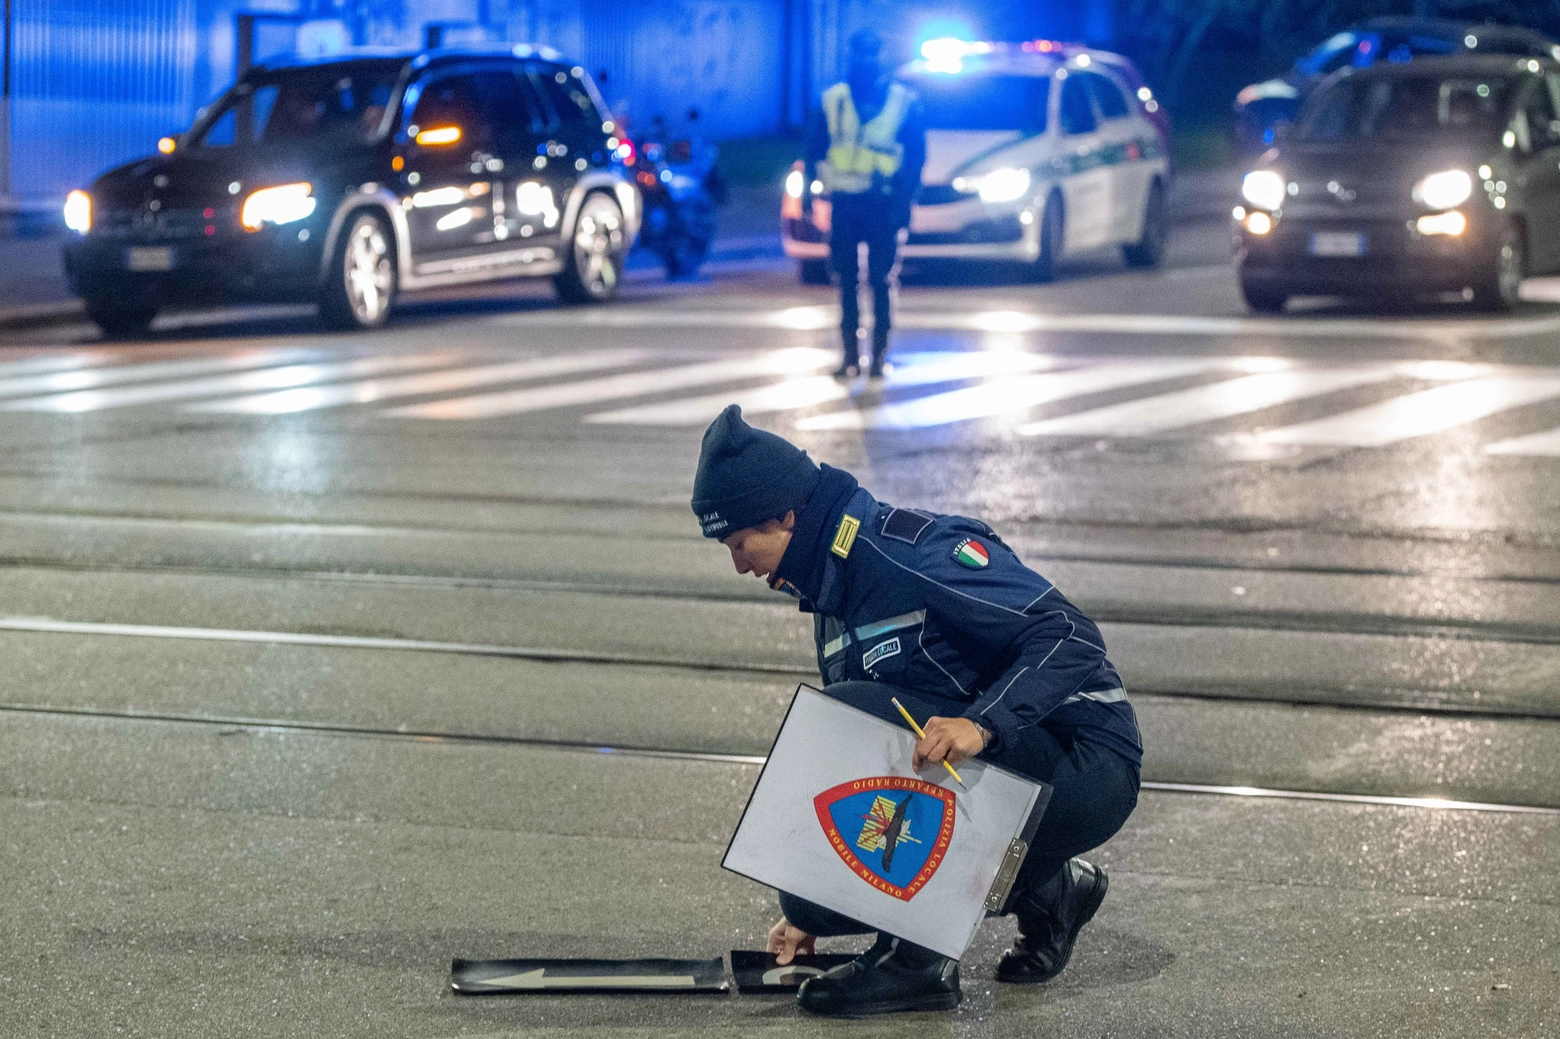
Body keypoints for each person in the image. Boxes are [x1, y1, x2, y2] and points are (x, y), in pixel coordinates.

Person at [691, 405, 1142, 1017]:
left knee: (856, 715)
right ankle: (1050, 891)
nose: (741, 565)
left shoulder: (907, 551)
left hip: (1085, 760)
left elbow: (1070, 635)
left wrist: (982, 723)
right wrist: (806, 910)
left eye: (742, 543)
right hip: (1018, 770)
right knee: (812, 893)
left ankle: (916, 960)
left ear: (787, 517)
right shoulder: (830, 588)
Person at [804, 29, 926, 379]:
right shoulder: (834, 99)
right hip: (845, 202)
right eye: (861, 54)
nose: (867, 61)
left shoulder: (903, 100)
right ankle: (850, 357)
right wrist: (811, 196)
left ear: (882, 57)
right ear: (852, 56)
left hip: (884, 203)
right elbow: (813, 148)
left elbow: (916, 157)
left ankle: (879, 356)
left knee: (881, 279)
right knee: (845, 280)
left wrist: (905, 202)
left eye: (872, 54)